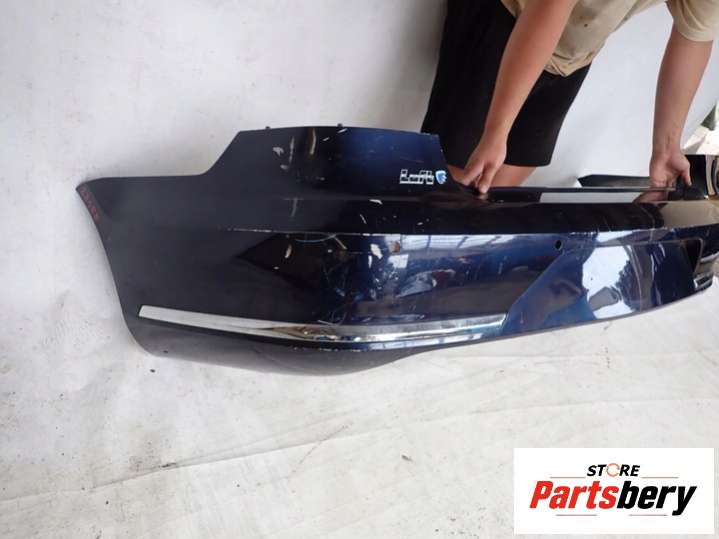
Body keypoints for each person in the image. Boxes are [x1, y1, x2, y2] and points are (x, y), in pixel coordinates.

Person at [422, 0, 719, 193]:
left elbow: (695, 33)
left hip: (572, 53)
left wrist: (666, 147)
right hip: (510, 13)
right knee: (452, 183)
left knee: (496, 194)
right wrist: (496, 130)